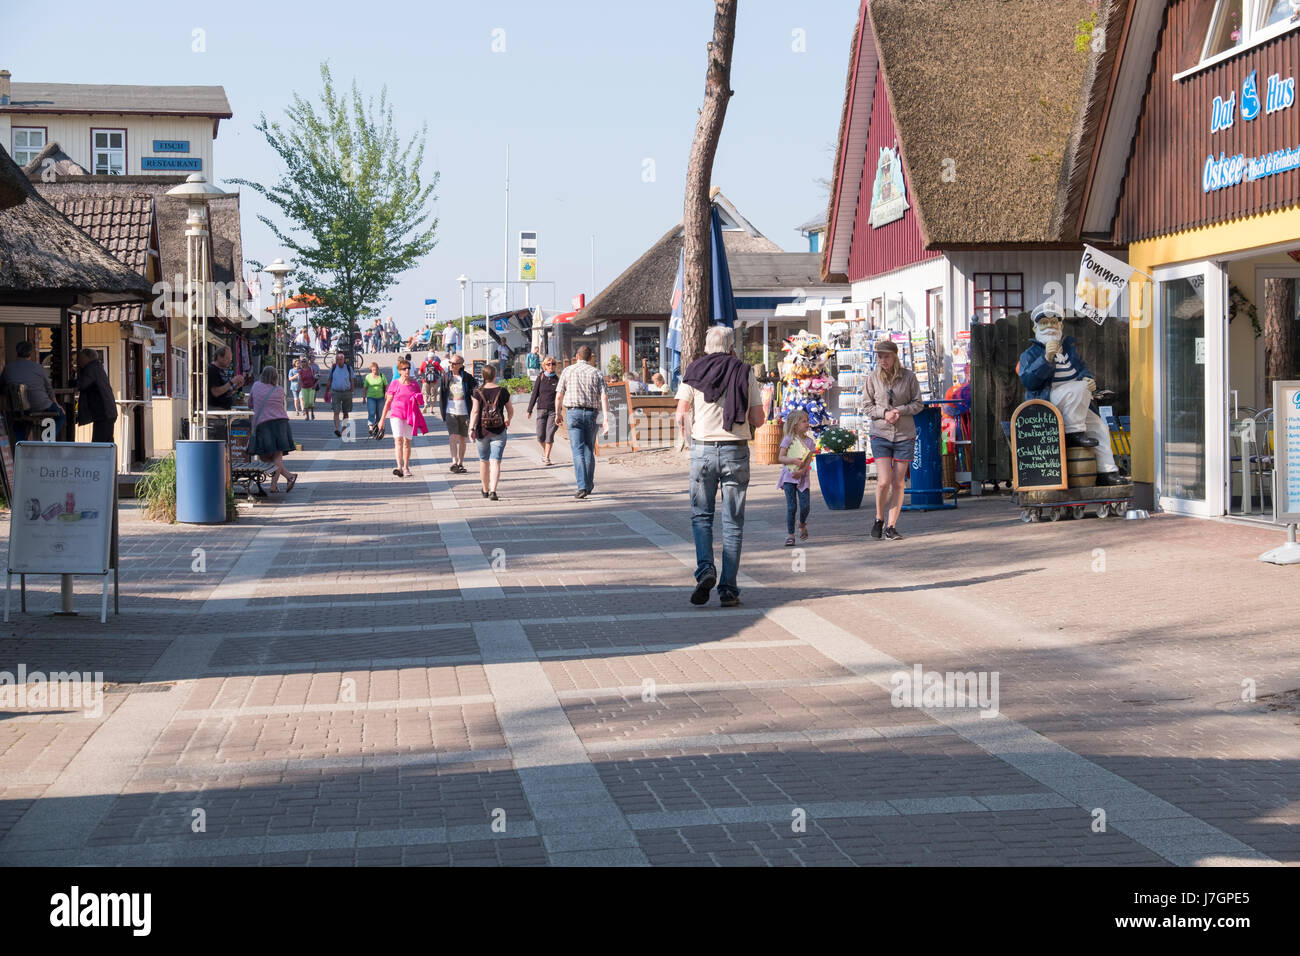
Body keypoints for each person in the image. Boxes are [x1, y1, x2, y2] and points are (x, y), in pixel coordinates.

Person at [675, 325, 764, 607]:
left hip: (702, 449)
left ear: (706, 346)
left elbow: (680, 414)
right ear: (730, 346)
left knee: (701, 516)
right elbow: (759, 419)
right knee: (733, 522)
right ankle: (728, 590)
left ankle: (705, 569)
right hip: (735, 450)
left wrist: (688, 439)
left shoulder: (693, 371)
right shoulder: (744, 371)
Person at [1019, 301, 1126, 485]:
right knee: (1078, 389)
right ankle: (1073, 432)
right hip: (1049, 402)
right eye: (1044, 323)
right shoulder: (1030, 354)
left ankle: (1106, 471)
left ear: (1061, 325)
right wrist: (1046, 359)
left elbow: (1082, 370)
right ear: (1035, 327)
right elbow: (1029, 381)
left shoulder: (1069, 351)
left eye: (1054, 322)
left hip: (1075, 403)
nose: (1050, 327)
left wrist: (1088, 379)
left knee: (1099, 427)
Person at [860, 338, 923, 541]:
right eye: (879, 356)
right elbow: (866, 406)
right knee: (884, 481)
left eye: (886, 355)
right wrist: (884, 413)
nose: (882, 359)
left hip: (905, 435)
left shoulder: (909, 377)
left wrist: (900, 410)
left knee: (898, 482)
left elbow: (918, 403)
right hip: (881, 434)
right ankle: (879, 518)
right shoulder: (872, 378)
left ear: (895, 356)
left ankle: (892, 526)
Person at [555, 345, 610, 499]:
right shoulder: (597, 373)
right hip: (592, 414)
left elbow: (559, 395)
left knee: (577, 451)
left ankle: (582, 486)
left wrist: (558, 413)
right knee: (588, 450)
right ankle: (588, 483)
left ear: (577, 357)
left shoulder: (567, 371)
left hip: (573, 412)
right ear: (590, 357)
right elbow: (604, 396)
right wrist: (606, 418)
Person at [1, 341, 67, 441]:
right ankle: (47, 439)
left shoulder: (8, 368)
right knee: (61, 415)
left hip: (18, 407)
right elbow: (49, 389)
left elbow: (1, 387)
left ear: (17, 352)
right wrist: (57, 404)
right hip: (40, 405)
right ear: (30, 354)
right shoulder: (38, 367)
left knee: (19, 419)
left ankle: (20, 446)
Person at [247, 367, 298, 492]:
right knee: (276, 455)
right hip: (280, 423)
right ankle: (288, 477)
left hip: (263, 424)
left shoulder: (256, 386)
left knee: (264, 455)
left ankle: (274, 485)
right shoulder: (280, 390)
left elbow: (250, 404)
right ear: (276, 377)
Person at [469, 363, 512, 500]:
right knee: (496, 461)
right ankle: (493, 490)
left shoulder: (477, 392)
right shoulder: (503, 391)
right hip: (499, 430)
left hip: (482, 431)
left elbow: (475, 411)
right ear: (494, 376)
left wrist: (471, 428)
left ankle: (485, 489)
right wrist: (508, 419)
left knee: (484, 461)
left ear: (483, 376)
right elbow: (510, 410)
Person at [379, 358, 427, 477]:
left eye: (408, 368)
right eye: (404, 369)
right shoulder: (394, 384)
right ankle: (399, 467)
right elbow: (388, 402)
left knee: (407, 441)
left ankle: (406, 467)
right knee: (398, 440)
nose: (407, 371)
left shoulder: (414, 384)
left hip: (409, 416)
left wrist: (418, 399)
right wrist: (382, 420)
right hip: (396, 415)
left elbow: (419, 400)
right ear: (399, 371)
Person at [776, 409, 815, 547]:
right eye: (804, 421)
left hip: (802, 479)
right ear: (795, 424)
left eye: (807, 421)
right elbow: (781, 457)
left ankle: (802, 523)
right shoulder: (788, 439)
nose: (807, 424)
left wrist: (802, 471)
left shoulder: (810, 442)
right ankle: (790, 535)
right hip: (788, 478)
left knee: (805, 506)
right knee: (791, 507)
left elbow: (809, 461)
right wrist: (793, 460)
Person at [71, 347, 117, 444]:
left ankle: (100, 459)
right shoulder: (97, 367)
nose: (78, 361)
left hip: (103, 412)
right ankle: (110, 459)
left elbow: (82, 384)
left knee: (99, 443)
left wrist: (70, 383)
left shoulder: (91, 368)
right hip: (108, 411)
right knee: (107, 442)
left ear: (87, 358)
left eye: (80, 358)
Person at [440, 354, 477, 474]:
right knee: (452, 437)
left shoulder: (466, 377)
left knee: (462, 438)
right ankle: (454, 462)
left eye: (454, 363)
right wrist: (442, 412)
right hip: (450, 411)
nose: (451, 365)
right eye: (450, 363)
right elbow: (442, 397)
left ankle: (461, 462)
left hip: (465, 412)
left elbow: (475, 390)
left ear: (461, 365)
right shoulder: (446, 377)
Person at [527, 354, 560, 465]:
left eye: (553, 364)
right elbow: (534, 394)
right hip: (541, 409)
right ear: (544, 366)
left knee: (549, 434)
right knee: (540, 436)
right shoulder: (540, 377)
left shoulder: (557, 379)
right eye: (548, 364)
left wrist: (559, 413)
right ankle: (546, 451)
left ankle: (546, 457)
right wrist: (529, 409)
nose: (551, 366)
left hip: (553, 411)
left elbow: (560, 397)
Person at [326, 352, 354, 437]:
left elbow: (352, 379)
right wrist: (327, 390)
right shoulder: (333, 368)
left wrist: (352, 390)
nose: (339, 361)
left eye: (340, 359)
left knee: (346, 412)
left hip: (346, 392)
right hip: (335, 392)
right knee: (336, 411)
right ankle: (337, 429)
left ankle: (344, 429)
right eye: (337, 359)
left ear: (344, 360)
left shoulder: (348, 368)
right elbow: (329, 379)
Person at [363, 362, 388, 439]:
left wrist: (386, 394)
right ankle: (371, 428)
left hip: (380, 397)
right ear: (371, 370)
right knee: (371, 412)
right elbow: (365, 388)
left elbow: (386, 385)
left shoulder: (382, 376)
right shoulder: (368, 377)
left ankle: (377, 428)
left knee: (379, 414)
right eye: (373, 370)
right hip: (371, 397)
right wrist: (364, 397)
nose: (375, 371)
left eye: (376, 369)